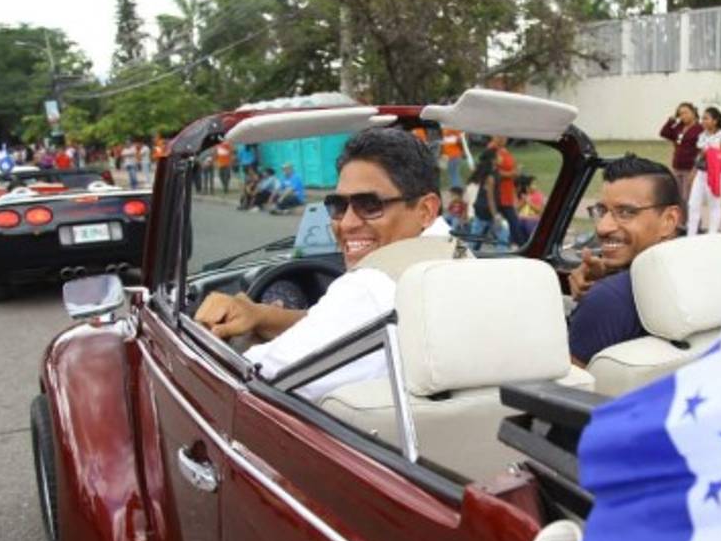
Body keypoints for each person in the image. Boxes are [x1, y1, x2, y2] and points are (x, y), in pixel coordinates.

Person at [195, 127, 449, 399]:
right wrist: (261, 316)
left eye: (370, 205)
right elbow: (343, 331)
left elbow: (251, 378)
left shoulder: (370, 286)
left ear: (425, 210)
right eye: (338, 206)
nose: (347, 223)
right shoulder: (455, 262)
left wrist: (225, 339)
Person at [567, 155, 685, 367]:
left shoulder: (607, 301)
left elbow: (563, 394)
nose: (603, 227)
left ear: (669, 220)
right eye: (602, 211)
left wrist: (605, 290)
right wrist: (610, 277)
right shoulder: (710, 274)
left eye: (626, 212)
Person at [687, 106, 721, 236]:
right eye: (702, 118)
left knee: (714, 205)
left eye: (706, 118)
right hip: (702, 174)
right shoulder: (702, 136)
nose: (703, 121)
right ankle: (691, 235)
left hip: (717, 175)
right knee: (693, 205)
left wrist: (709, 152)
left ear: (715, 120)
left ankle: (712, 235)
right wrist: (693, 171)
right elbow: (699, 155)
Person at [659, 102, 702, 203]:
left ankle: (692, 219)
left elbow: (701, 151)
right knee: (677, 197)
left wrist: (695, 170)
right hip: (677, 167)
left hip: (690, 168)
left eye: (686, 113)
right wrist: (671, 120)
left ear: (693, 112)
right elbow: (664, 133)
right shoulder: (679, 126)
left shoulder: (699, 129)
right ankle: (684, 218)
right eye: (680, 114)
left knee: (688, 198)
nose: (683, 116)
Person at [488, 135, 527, 246]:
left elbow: (510, 168)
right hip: (499, 193)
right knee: (513, 221)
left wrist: (516, 172)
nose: (505, 139)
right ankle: (520, 244)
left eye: (506, 137)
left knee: (509, 221)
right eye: (502, 136)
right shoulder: (493, 150)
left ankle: (512, 243)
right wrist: (511, 174)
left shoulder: (504, 150)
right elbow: (493, 172)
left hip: (508, 192)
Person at [516, 173, 545, 237]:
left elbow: (540, 211)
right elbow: (516, 209)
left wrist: (529, 203)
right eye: (533, 184)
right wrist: (523, 202)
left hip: (533, 219)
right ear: (527, 186)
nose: (535, 186)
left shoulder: (538, 196)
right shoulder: (521, 195)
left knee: (528, 224)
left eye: (536, 184)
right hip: (521, 218)